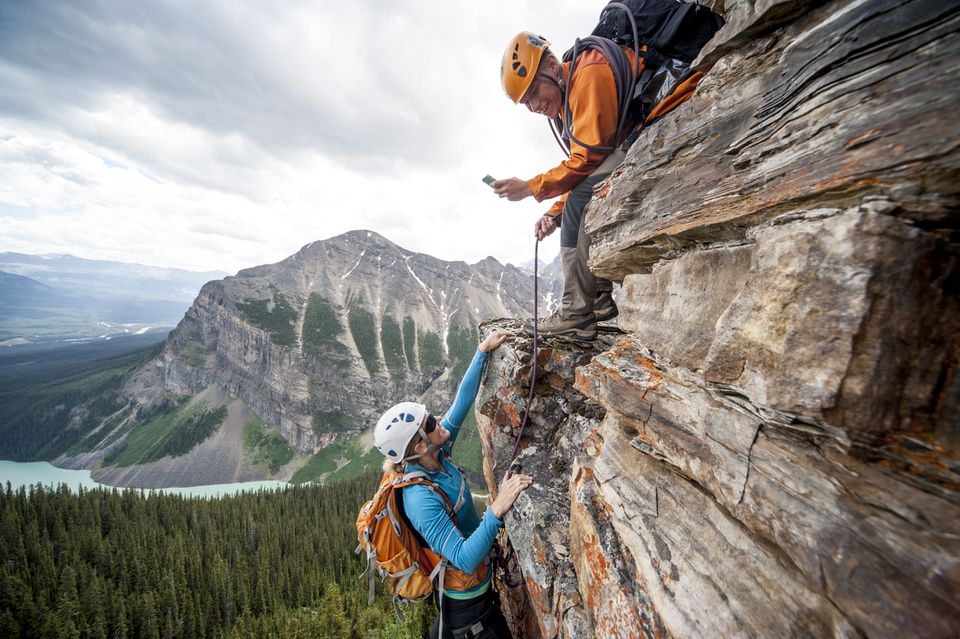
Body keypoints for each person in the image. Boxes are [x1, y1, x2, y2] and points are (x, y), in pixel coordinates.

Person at [492, 31, 700, 340]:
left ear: (551, 65)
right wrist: (553, 214)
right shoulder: (567, 95)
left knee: (580, 203)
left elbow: (588, 158)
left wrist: (532, 188)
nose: (534, 106)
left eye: (535, 92)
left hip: (669, 115)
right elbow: (587, 165)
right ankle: (598, 299)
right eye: (526, 103)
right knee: (576, 201)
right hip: (636, 137)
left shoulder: (587, 73)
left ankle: (576, 313)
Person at [373, 328, 532, 639]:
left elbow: (461, 403)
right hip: (469, 611)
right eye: (430, 423)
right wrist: (496, 511)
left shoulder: (437, 452)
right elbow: (463, 557)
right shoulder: (419, 499)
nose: (438, 421)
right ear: (419, 447)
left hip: (474, 595)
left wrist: (481, 352)